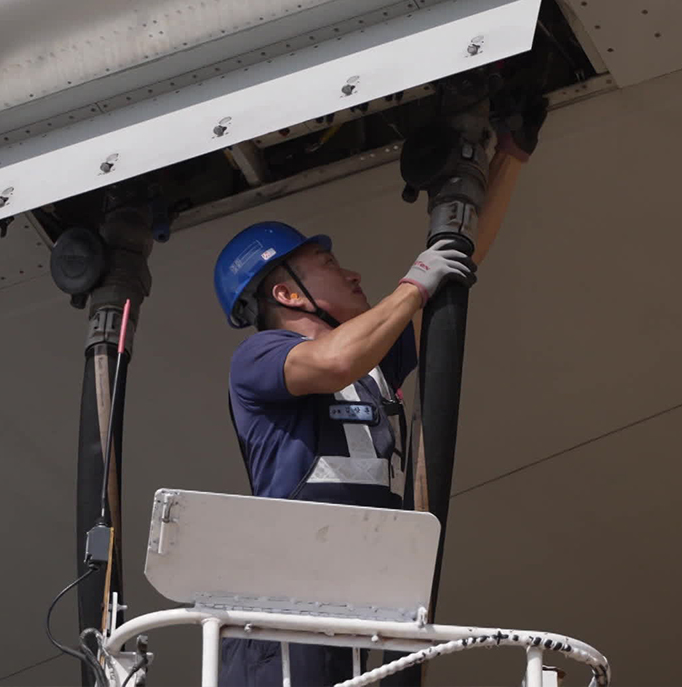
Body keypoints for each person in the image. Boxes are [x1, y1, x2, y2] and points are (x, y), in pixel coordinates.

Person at [211, 97, 546, 687]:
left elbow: (462, 264)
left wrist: (511, 156)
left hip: (373, 603)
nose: (352, 274)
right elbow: (336, 358)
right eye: (328, 262)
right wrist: (416, 282)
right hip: (296, 621)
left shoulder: (372, 358)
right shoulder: (258, 358)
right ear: (286, 295)